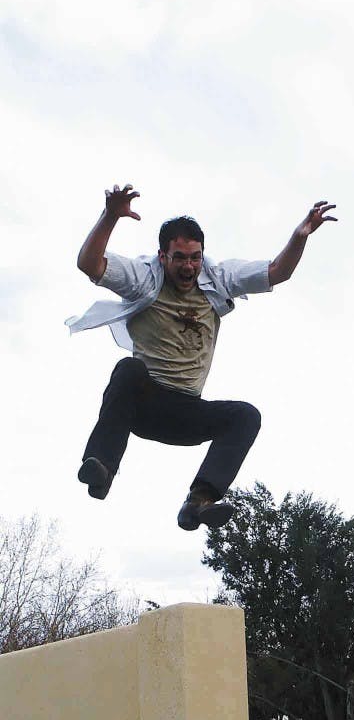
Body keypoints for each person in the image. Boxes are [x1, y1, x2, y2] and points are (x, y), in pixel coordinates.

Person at [68, 184, 336, 530]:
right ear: (163, 256)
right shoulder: (142, 277)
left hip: (186, 412)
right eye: (179, 258)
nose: (188, 267)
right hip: (143, 404)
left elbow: (276, 272)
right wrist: (109, 217)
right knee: (129, 369)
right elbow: (89, 263)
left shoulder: (219, 278)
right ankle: (101, 468)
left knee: (244, 415)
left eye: (195, 257)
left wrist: (301, 236)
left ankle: (199, 502)